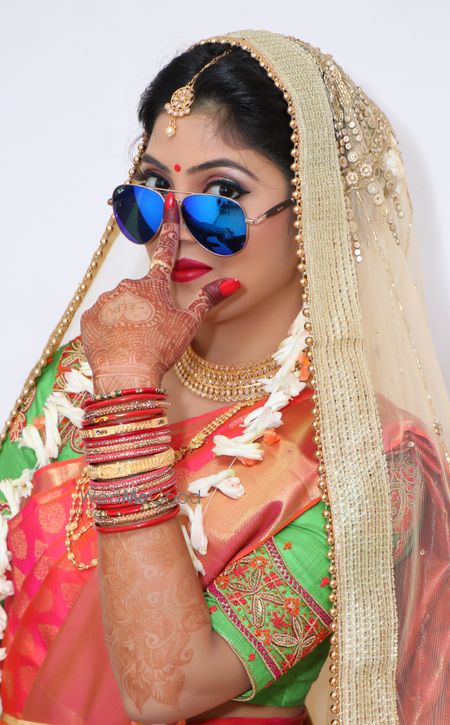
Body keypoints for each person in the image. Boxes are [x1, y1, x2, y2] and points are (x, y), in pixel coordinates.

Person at [0, 28, 448, 725]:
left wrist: (129, 392)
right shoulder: (76, 379)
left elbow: (165, 690)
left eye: (221, 196)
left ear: (318, 211)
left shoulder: (373, 460)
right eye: (153, 189)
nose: (171, 230)